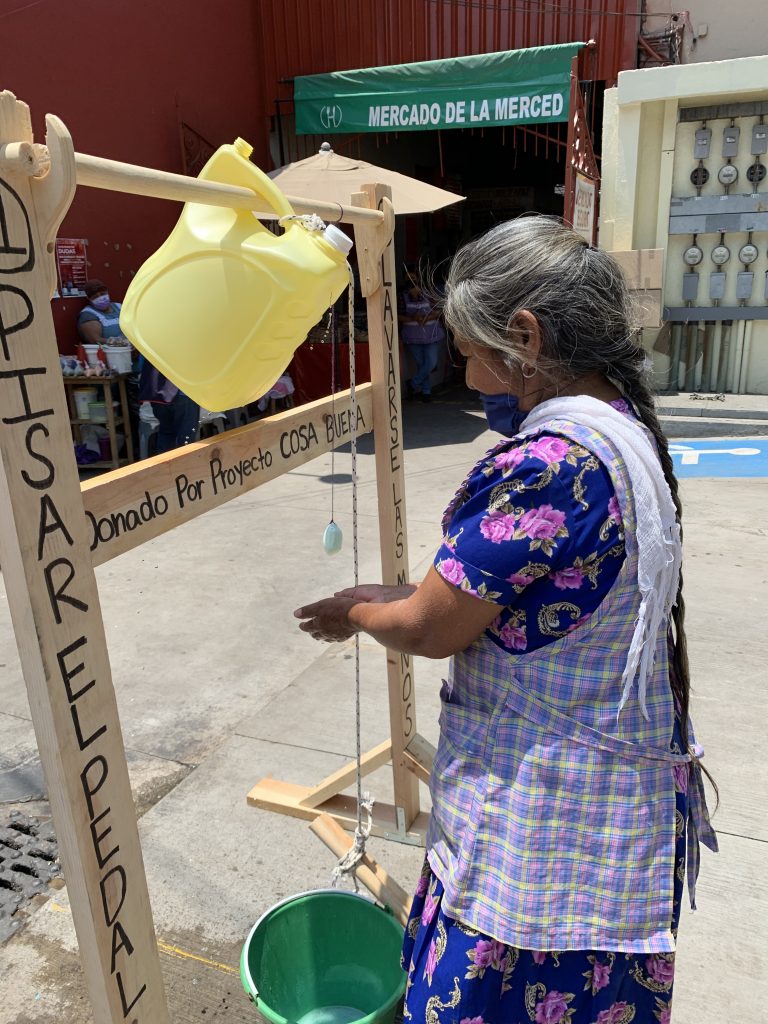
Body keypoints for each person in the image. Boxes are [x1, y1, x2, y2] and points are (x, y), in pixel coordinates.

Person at [294, 217, 717, 1024]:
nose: (461, 368)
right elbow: (509, 590)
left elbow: (431, 627)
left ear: (523, 336)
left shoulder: (548, 466)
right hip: (610, 806)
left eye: (467, 348)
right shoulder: (619, 425)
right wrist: (397, 592)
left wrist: (360, 611)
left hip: (547, 836)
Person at [398, 263, 445, 402]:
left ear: (418, 278)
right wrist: (413, 318)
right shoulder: (401, 296)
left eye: (413, 278)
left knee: (430, 362)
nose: (411, 281)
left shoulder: (428, 292)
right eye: (408, 279)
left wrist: (428, 317)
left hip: (431, 334)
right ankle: (426, 392)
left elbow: (439, 309)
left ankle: (412, 384)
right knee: (421, 363)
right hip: (412, 336)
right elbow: (397, 315)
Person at [138, 359, 200, 454]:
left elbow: (141, 364)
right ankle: (183, 467)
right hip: (183, 391)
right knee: (186, 441)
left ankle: (165, 467)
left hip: (157, 393)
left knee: (166, 434)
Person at [77, 279, 124, 344]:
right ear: (89, 299)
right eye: (95, 297)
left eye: (102, 294)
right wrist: (115, 342)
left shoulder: (119, 307)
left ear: (107, 292)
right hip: (110, 351)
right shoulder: (88, 315)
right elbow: (95, 340)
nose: (101, 298)